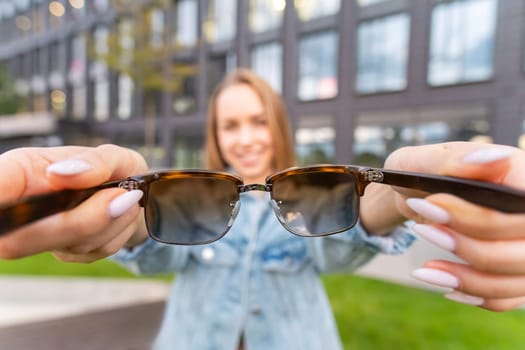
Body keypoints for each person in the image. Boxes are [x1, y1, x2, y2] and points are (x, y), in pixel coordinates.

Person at [0, 69, 524, 348]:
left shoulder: (314, 192)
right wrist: (129, 215)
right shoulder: (186, 194)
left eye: (257, 121)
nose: (247, 138)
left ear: (277, 125)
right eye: (232, 125)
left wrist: (398, 197)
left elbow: (338, 249)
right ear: (215, 135)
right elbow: (159, 252)